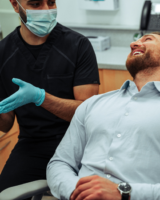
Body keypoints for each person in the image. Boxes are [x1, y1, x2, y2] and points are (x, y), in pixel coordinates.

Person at [47, 32, 160, 200]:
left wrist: (123, 192)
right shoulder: (92, 105)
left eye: (147, 39)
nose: (134, 44)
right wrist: (76, 192)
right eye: (136, 40)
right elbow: (60, 163)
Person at [0, 0, 100, 195]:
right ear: (14, 5)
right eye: (36, 4)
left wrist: (40, 97)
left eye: (51, 2)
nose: (47, 10)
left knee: (88, 194)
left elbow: (87, 112)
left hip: (79, 143)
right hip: (33, 143)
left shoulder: (78, 45)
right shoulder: (3, 52)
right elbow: (5, 124)